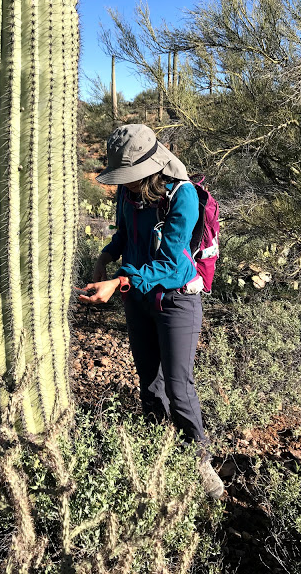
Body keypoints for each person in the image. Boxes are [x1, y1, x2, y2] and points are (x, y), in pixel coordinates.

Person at [78, 124, 224, 500]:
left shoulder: (183, 196)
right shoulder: (129, 196)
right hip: (139, 299)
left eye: (130, 177)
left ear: (153, 167)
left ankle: (200, 461)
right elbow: (124, 236)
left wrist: (118, 283)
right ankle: (156, 449)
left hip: (177, 299)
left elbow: (172, 265)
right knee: (149, 378)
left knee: (179, 385)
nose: (124, 184)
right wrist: (106, 257)